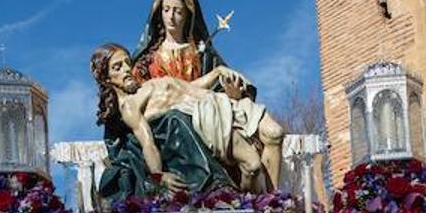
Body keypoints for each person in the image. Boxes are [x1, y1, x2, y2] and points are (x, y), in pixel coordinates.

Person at [93, 42, 284, 195]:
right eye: (117, 67)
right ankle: (249, 211)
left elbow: (190, 87)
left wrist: (217, 73)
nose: (126, 69)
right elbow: (148, 143)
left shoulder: (147, 85)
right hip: (207, 115)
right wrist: (158, 176)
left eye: (127, 62)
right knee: (253, 165)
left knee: (275, 134)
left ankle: (273, 204)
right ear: (107, 78)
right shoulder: (129, 106)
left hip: (222, 103)